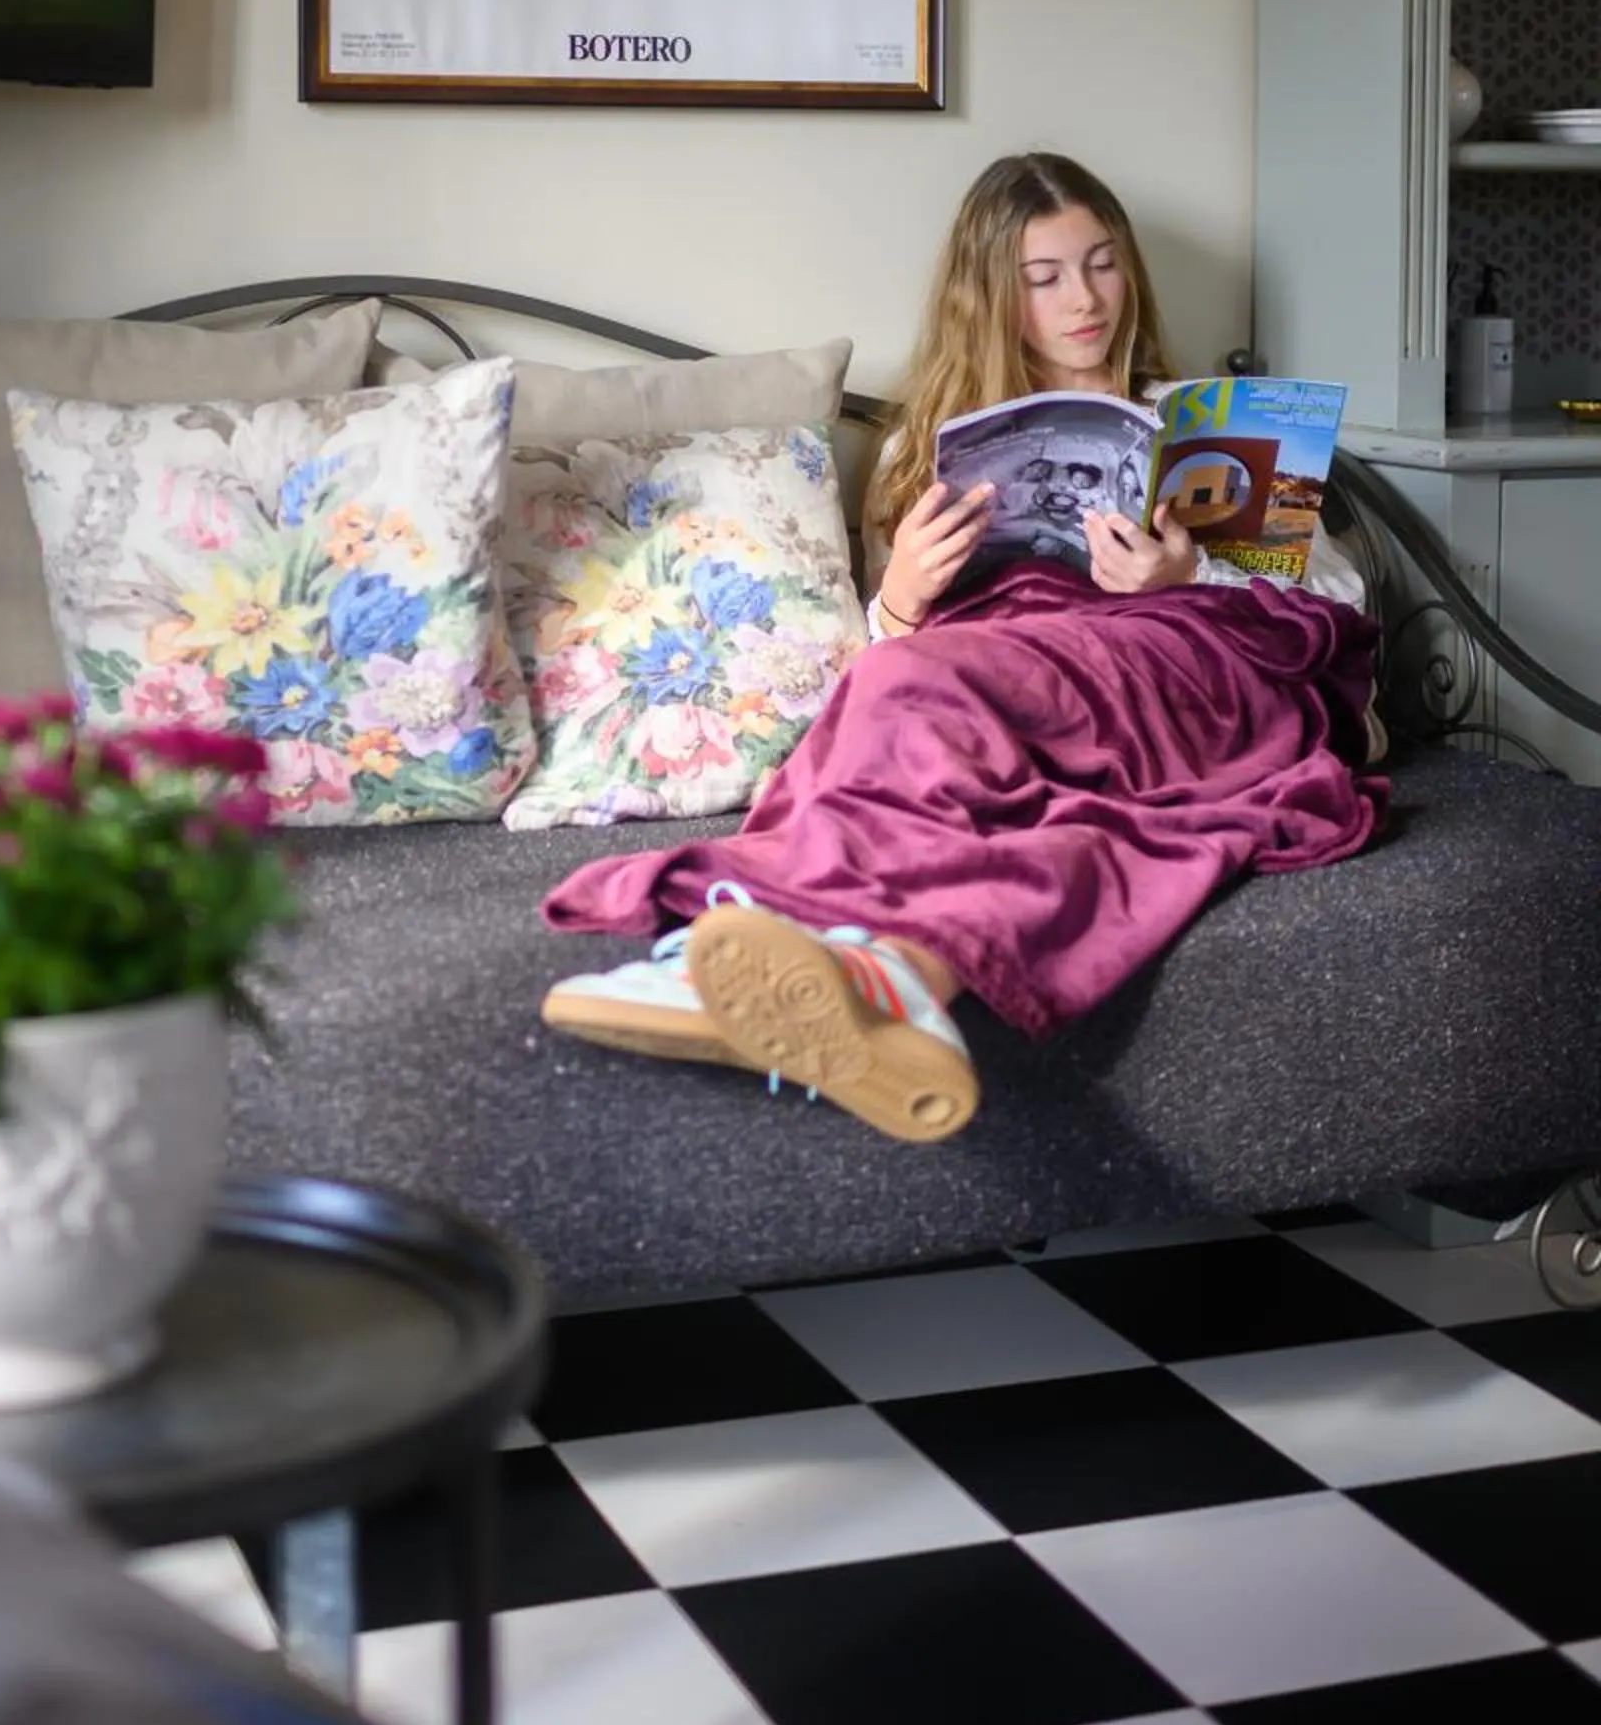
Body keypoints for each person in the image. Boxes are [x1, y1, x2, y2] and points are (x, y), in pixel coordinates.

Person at [538, 151, 1385, 1145]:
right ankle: (894, 975)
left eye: (1102, 264)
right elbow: (881, 648)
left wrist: (1186, 577)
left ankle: (705, 954)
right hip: (1017, 693)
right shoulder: (926, 446)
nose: (1086, 299)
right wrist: (897, 595)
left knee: (903, 684)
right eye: (1044, 277)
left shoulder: (1203, 423)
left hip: (1187, 675)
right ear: (990, 296)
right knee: (912, 701)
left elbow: (1338, 597)